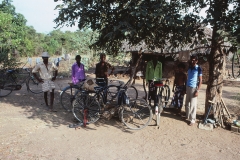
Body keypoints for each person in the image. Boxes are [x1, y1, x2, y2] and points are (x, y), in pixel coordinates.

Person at [185, 55, 202, 126]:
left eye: (194, 60)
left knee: (193, 105)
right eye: (192, 60)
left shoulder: (198, 68)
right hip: (188, 87)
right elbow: (187, 77)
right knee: (187, 104)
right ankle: (187, 116)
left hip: (193, 88)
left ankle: (192, 120)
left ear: (197, 61)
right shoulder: (189, 67)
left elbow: (200, 80)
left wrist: (197, 90)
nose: (193, 61)